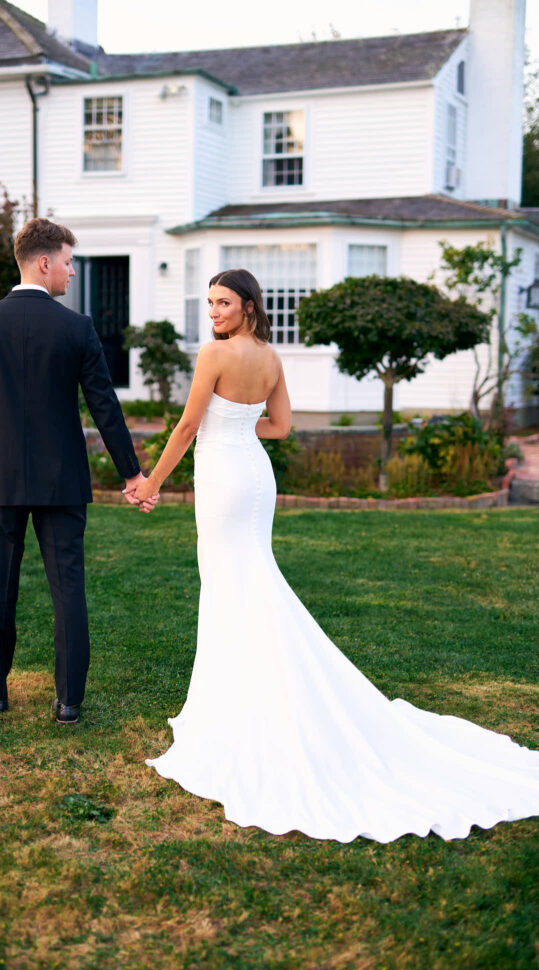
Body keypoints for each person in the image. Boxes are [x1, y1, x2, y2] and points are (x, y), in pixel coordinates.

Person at [132, 268, 539, 843]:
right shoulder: (271, 359)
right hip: (253, 471)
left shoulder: (214, 355)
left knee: (230, 582)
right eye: (210, 304)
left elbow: (188, 425)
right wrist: (241, 424)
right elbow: (281, 426)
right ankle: (244, 692)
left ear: (248, 305)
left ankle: (238, 704)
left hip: (224, 477)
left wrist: (152, 482)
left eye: (223, 303)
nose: (214, 312)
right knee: (247, 579)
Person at [0, 218, 156, 725]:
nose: (70, 272)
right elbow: (104, 406)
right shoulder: (76, 328)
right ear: (44, 262)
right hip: (62, 477)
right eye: (67, 262)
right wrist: (131, 473)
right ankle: (68, 701)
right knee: (68, 586)